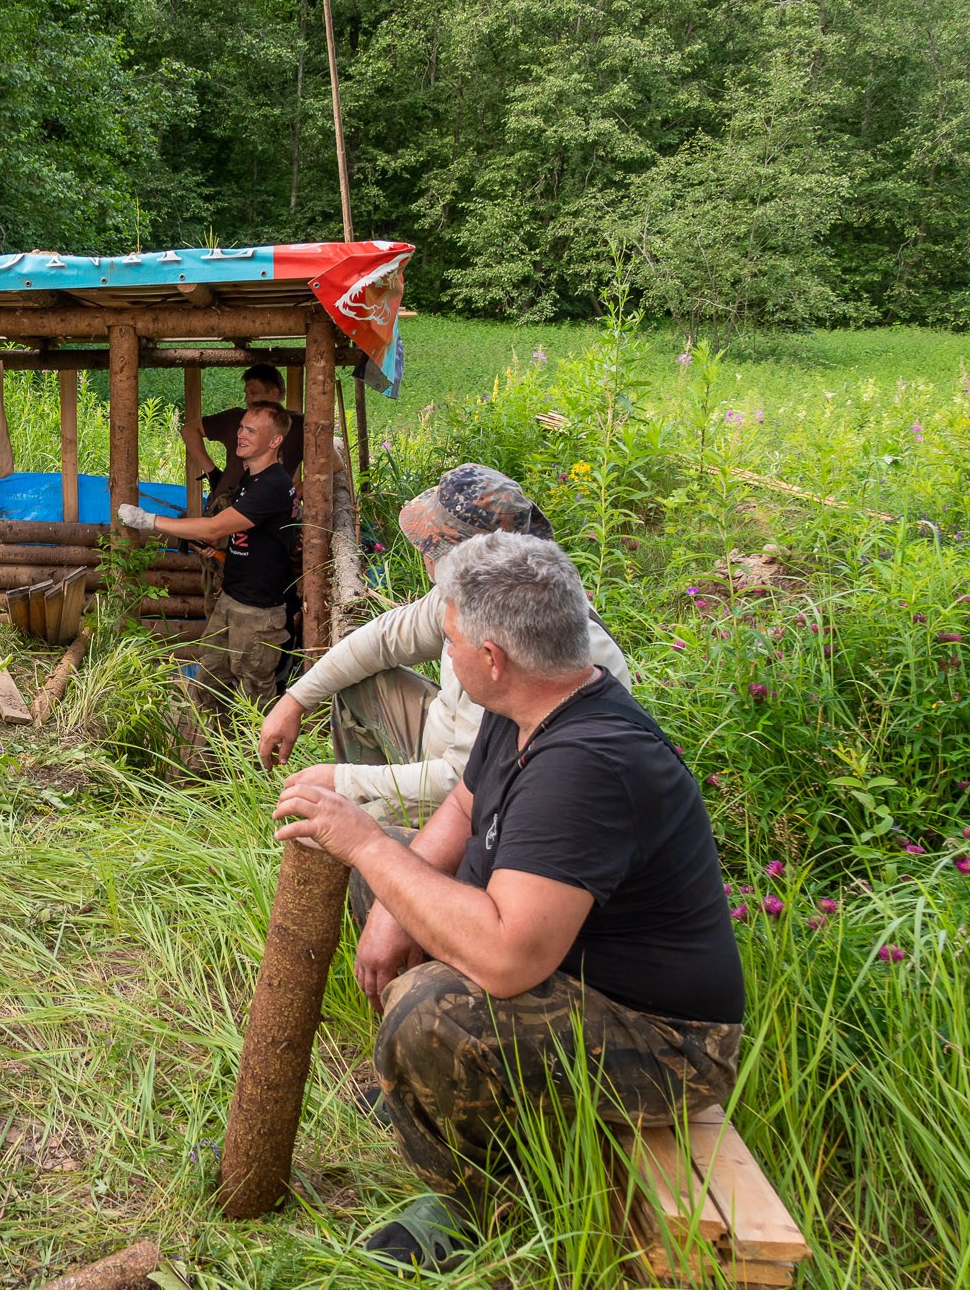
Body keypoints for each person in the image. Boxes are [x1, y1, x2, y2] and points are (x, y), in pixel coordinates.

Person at [271, 532, 743, 1270]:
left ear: (493, 657)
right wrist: (389, 892)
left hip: (667, 1041)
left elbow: (505, 958)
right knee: (394, 881)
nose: (445, 656)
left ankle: (473, 1204)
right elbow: (461, 808)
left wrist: (365, 841)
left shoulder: (585, 764)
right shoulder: (529, 704)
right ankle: (433, 1093)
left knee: (431, 1007)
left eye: (452, 640)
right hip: (577, 977)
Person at [259, 464, 632, 847]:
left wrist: (344, 782)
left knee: (319, 832)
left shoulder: (522, 641)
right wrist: (295, 699)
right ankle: (388, 810)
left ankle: (401, 845)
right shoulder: (476, 593)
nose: (424, 555)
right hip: (449, 750)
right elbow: (386, 637)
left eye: (430, 546)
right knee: (362, 686)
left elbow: (466, 777)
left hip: (486, 796)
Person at [117, 402, 298, 714]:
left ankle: (257, 761)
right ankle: (208, 755)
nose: (240, 435)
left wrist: (149, 521)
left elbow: (216, 525)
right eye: (242, 427)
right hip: (232, 597)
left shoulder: (272, 485)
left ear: (274, 441)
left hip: (258, 611)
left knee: (255, 697)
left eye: (251, 431)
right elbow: (237, 534)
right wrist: (214, 548)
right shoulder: (251, 478)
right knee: (209, 681)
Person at [180, 365, 305, 513]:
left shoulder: (299, 425)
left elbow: (334, 464)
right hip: (225, 505)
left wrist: (298, 491)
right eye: (242, 427)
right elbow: (189, 430)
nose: (247, 399)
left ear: (274, 393)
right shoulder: (234, 417)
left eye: (253, 393)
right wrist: (212, 472)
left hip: (266, 508)